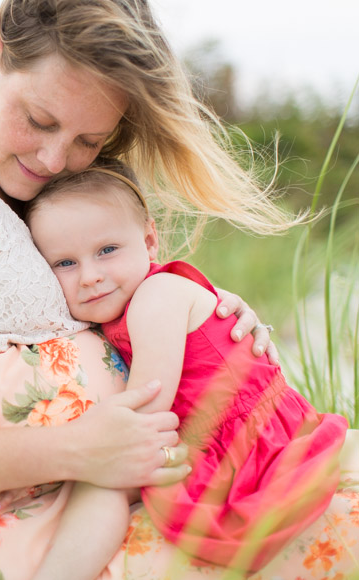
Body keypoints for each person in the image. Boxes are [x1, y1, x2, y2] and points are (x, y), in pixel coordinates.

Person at [0, 0, 359, 578]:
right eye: (39, 119)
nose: (55, 158)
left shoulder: (45, 189)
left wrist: (213, 315)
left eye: (88, 139)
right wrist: (77, 450)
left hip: (113, 506)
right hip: (14, 537)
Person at [25, 159, 352, 579]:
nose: (90, 276)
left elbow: (147, 411)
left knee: (102, 482)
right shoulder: (132, 296)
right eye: (64, 264)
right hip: (242, 429)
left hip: (247, 445)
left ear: (149, 241)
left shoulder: (156, 296)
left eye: (107, 251)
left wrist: (86, 453)